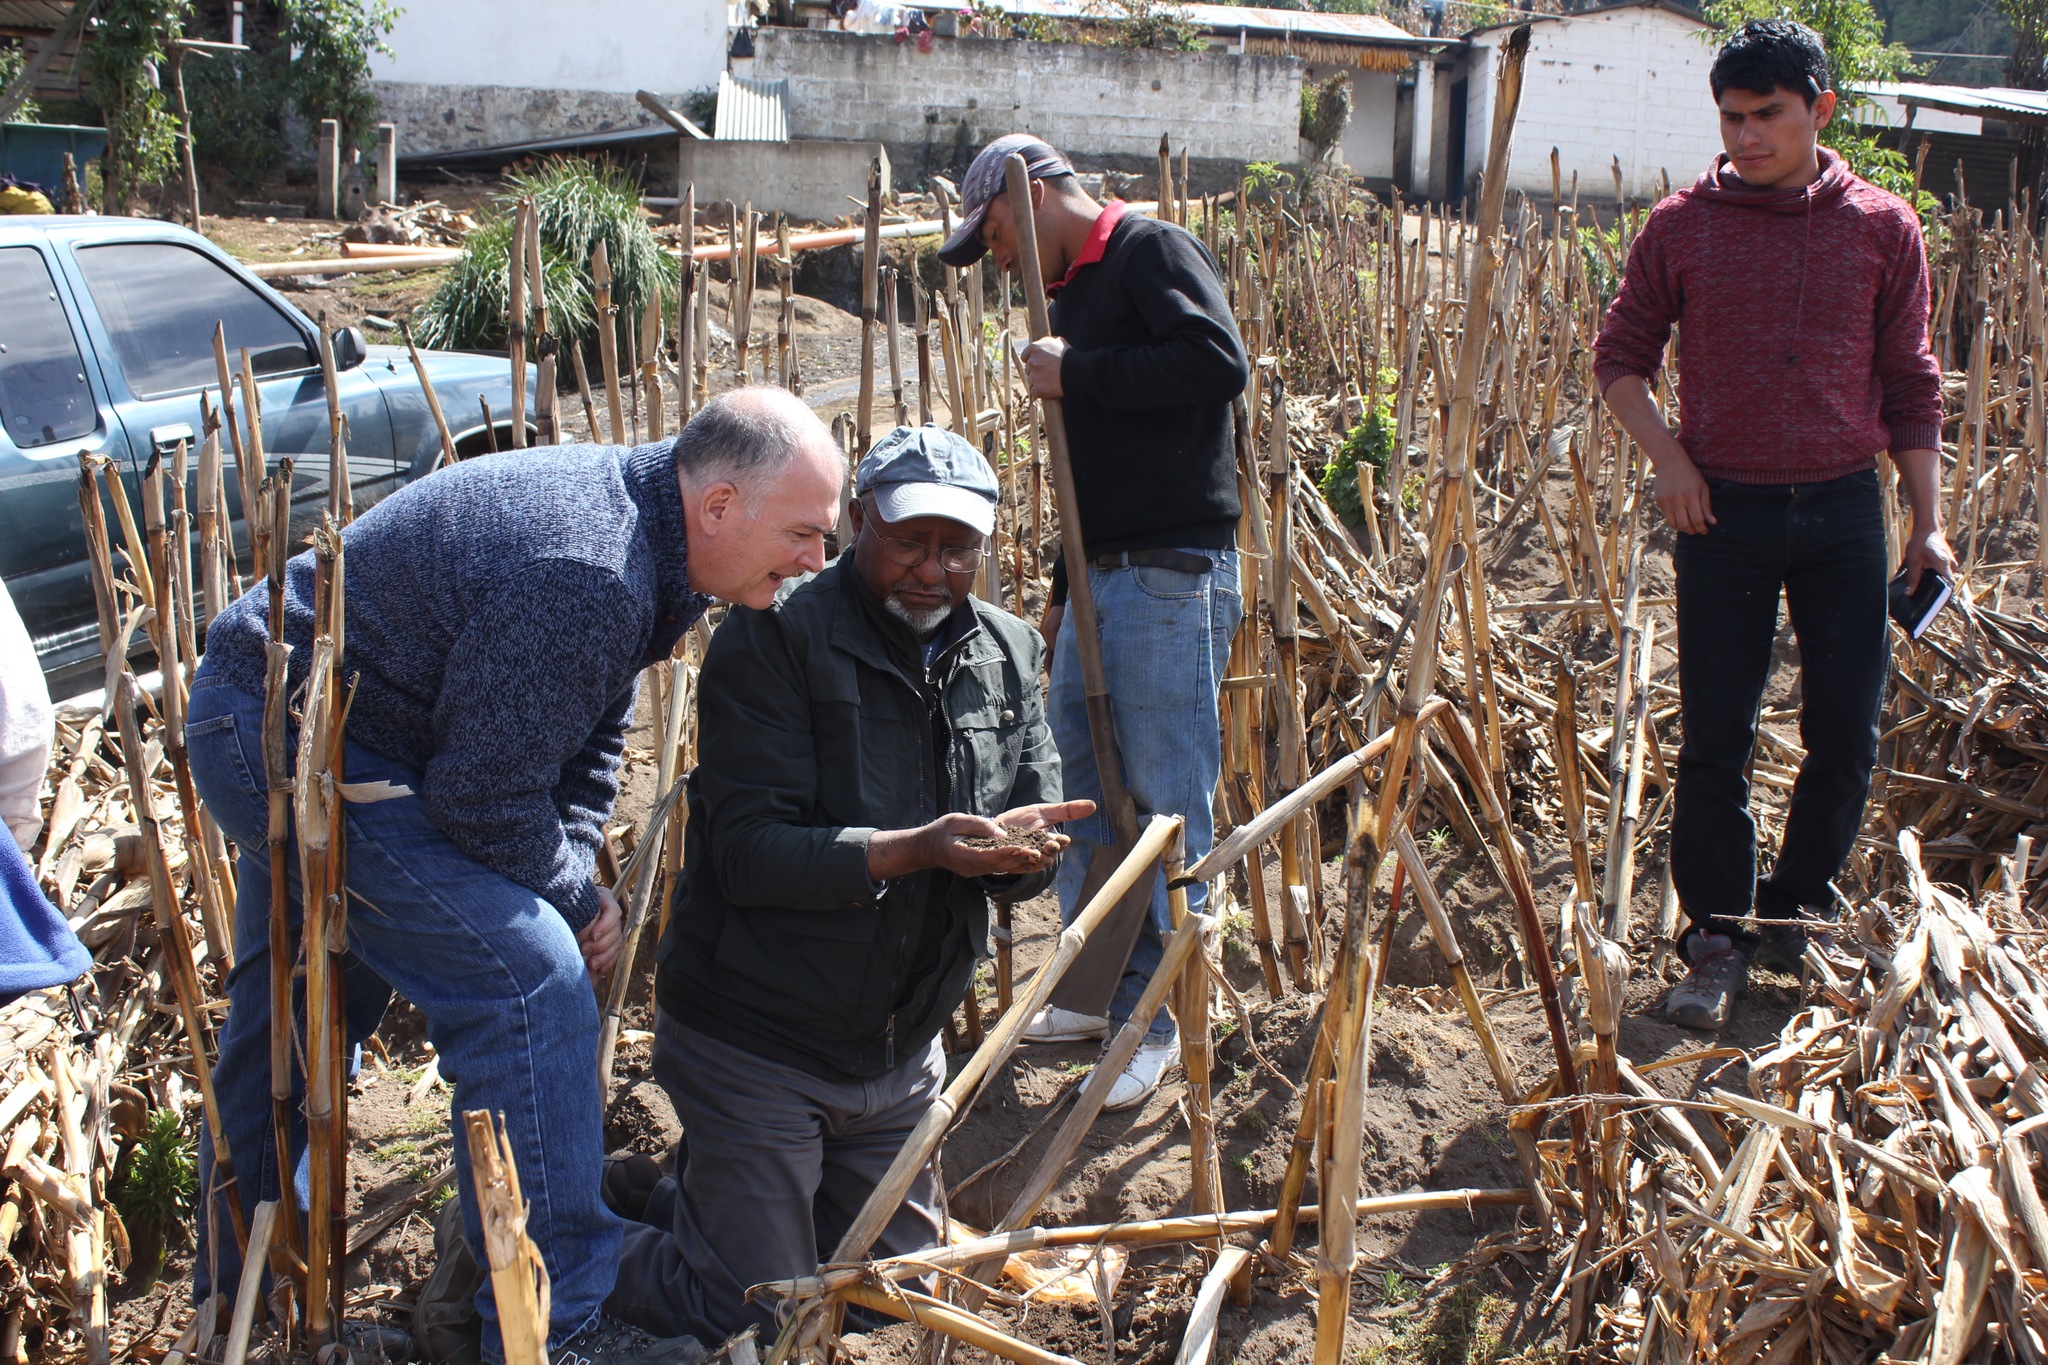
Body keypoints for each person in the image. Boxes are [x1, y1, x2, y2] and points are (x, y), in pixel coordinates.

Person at [184, 388, 846, 1365]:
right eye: (802, 533)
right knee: (527, 981)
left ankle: (247, 1319)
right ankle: (555, 1329)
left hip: (367, 738)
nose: (812, 562)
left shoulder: (646, 547)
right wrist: (573, 900)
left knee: (293, 1024)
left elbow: (580, 748)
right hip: (288, 736)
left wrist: (570, 866)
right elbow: (484, 796)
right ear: (716, 508)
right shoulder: (590, 567)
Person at [608, 426, 1089, 1344]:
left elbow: (1038, 814)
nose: (933, 569)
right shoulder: (772, 638)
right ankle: (558, 1241)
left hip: (898, 1056)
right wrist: (919, 848)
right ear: (858, 518)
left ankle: (679, 1196)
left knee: (887, 1304)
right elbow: (748, 852)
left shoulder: (1012, 651)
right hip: (758, 1040)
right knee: (761, 1310)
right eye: (910, 539)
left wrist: (1029, 858)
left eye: (958, 549)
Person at [1593, 19, 1953, 1030]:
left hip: (1843, 506)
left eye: (1767, 117)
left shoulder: (1881, 226)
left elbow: (1910, 381)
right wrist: (1668, 459)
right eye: (1731, 118)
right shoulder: (1680, 225)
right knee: (1716, 733)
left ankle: (1794, 918)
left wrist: (1926, 525)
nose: (1745, 138)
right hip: (1725, 513)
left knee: (1843, 730)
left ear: (1818, 112)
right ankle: (1714, 939)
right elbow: (1618, 358)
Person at [938, 134, 1248, 1110]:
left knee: (1160, 795)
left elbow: (1215, 362)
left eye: (989, 232)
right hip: (1097, 573)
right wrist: (1062, 591)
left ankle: (1155, 1017)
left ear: (1028, 199)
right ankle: (1088, 989)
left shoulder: (1149, 251)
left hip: (1167, 569)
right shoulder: (1069, 297)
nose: (992, 257)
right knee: (1075, 776)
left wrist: (1082, 369)